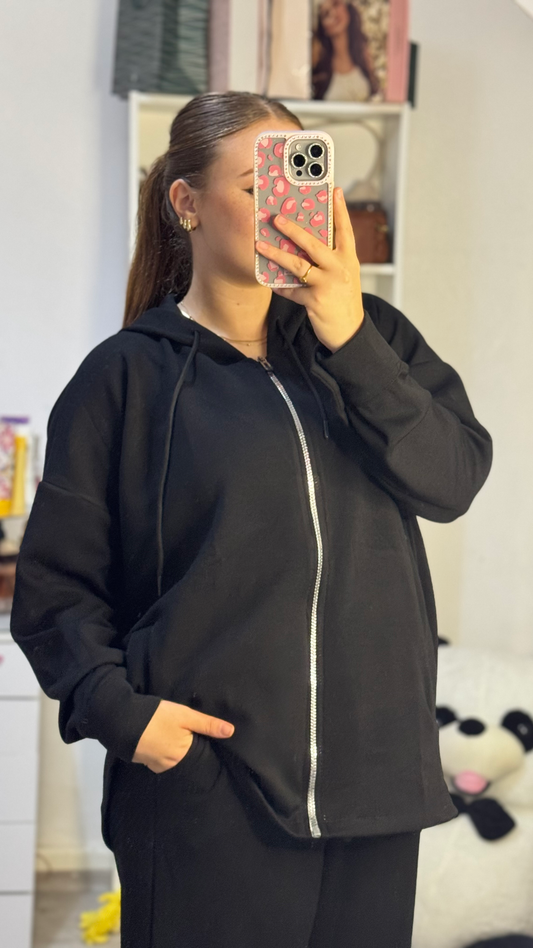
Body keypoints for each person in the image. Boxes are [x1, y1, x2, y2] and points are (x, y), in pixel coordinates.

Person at [10, 90, 492, 948]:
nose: (288, 206)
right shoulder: (125, 378)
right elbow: (53, 592)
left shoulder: (372, 340)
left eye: (302, 178)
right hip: (208, 793)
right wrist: (127, 716)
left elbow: (450, 480)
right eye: (257, 184)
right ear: (186, 203)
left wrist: (348, 335)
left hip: (375, 790)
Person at [312, 0, 381, 102]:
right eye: (326, 14)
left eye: (336, 4)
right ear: (323, 28)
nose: (334, 14)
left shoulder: (367, 58)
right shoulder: (319, 73)